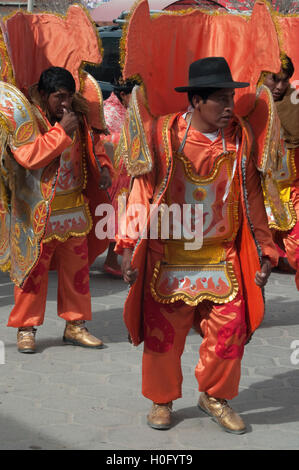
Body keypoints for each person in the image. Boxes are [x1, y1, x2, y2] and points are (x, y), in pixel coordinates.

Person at [115, 57, 278, 434]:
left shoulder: (241, 139)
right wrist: (127, 246)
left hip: (222, 255)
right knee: (162, 336)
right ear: (196, 101)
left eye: (231, 99)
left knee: (229, 333)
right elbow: (141, 194)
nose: (228, 107)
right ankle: (162, 399)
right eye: (220, 99)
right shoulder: (163, 136)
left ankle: (214, 397)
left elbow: (252, 198)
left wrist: (266, 251)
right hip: (168, 256)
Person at [5, 66, 113, 353]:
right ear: (43, 94)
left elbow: (95, 146)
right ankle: (25, 328)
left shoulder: (78, 118)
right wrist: (60, 132)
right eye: (58, 97)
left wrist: (103, 166)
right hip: (37, 214)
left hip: (74, 210)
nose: (64, 103)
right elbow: (29, 156)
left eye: (68, 96)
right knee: (32, 274)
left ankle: (75, 325)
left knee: (78, 273)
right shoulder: (28, 118)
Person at [262, 55, 299, 281]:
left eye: (285, 81)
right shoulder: (247, 103)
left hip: (291, 192)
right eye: (274, 79)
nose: (279, 86)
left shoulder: (296, 103)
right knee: (255, 261)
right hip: (256, 195)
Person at [101, 79, 137, 277]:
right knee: (115, 217)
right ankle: (111, 259)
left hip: (123, 174)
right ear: (123, 94)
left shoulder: (126, 111)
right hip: (113, 174)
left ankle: (112, 258)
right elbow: (104, 142)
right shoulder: (110, 112)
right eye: (135, 94)